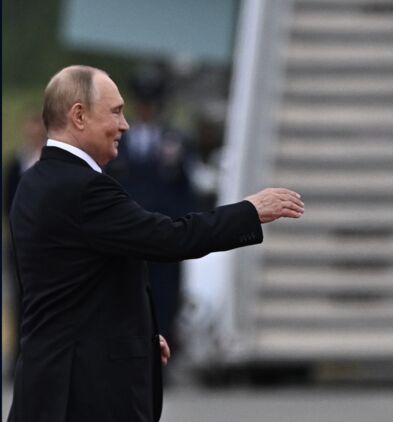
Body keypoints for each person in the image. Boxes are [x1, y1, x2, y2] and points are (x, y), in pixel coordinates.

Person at [7, 65, 304, 422]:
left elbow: (74, 288)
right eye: (115, 112)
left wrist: (139, 338)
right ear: (79, 116)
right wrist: (249, 211)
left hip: (46, 384)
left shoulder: (34, 181)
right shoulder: (85, 189)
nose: (125, 125)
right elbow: (169, 237)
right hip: (82, 395)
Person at [107, 64, 197, 362]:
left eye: (152, 102)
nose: (147, 109)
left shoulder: (175, 140)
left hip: (164, 232)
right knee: (125, 294)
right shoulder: (119, 138)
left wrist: (184, 230)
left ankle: (163, 356)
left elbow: (186, 190)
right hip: (127, 232)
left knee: (164, 295)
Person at [2, 112, 47, 379]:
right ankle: (18, 354)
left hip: (47, 243)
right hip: (20, 242)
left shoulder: (48, 163)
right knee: (18, 299)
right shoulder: (16, 163)